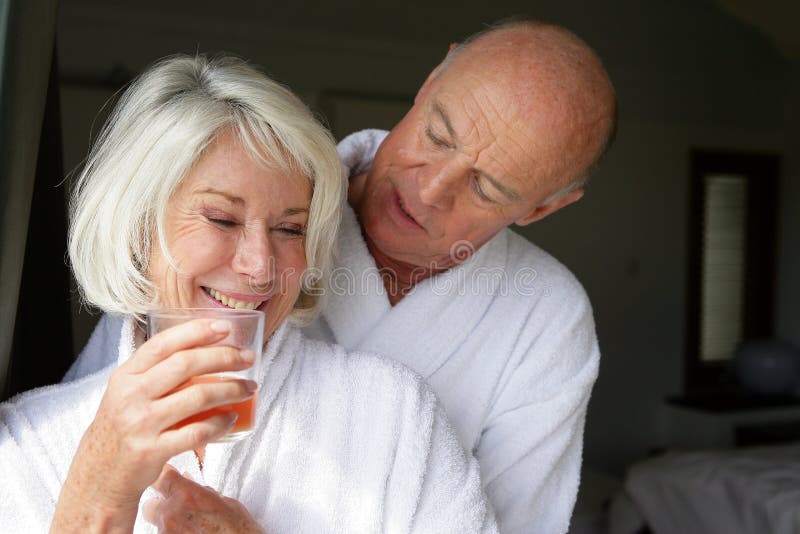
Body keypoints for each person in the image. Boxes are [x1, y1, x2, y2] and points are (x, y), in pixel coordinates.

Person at [65, 17, 617, 534]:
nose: (428, 189)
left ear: (541, 210)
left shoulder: (545, 318)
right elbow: (87, 434)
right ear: (430, 80)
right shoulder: (242, 210)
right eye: (438, 137)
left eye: (485, 188)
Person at [0, 54, 497, 533]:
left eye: (289, 228)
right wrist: (97, 492)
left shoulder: (394, 416)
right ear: (137, 229)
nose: (260, 268)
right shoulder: (25, 442)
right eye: (221, 218)